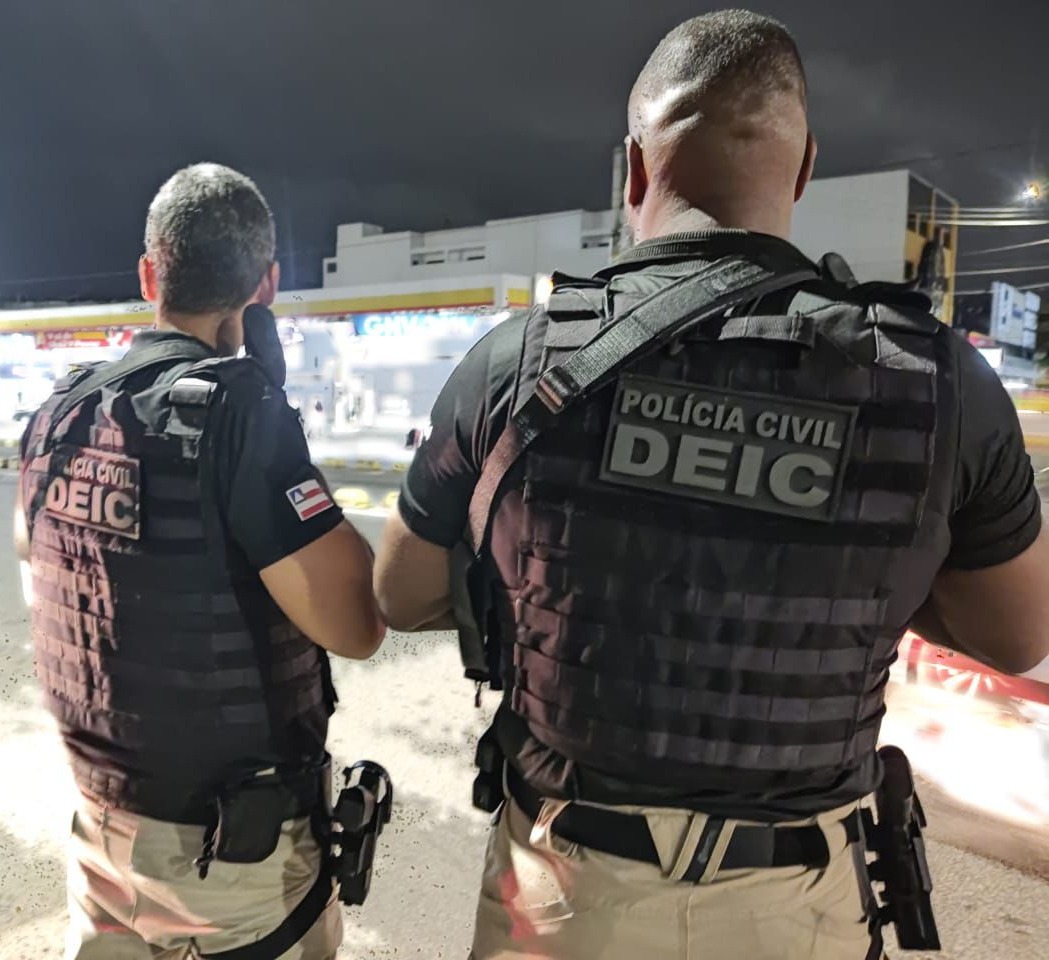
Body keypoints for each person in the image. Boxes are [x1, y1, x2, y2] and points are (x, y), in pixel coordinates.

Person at [372, 10, 1049, 959]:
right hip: (798, 909)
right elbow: (1015, 635)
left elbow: (400, 595)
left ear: (633, 169)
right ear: (803, 169)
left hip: (563, 899)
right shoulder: (937, 382)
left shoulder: (517, 363)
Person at [14, 163, 385, 960]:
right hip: (230, 862)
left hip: (99, 831)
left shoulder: (62, 407)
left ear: (150, 276)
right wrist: (275, 427)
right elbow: (356, 625)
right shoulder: (242, 412)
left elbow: (37, 555)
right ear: (267, 285)